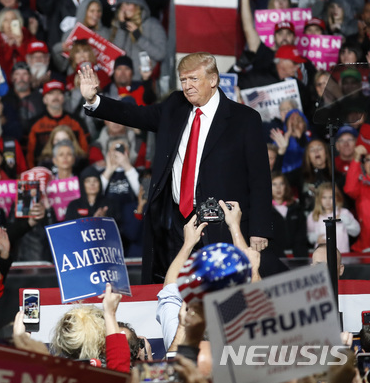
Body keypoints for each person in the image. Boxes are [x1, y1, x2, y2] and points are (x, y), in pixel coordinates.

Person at [79, 52, 273, 283]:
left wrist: (260, 228)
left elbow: (260, 178)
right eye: (183, 80)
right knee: (178, 288)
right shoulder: (175, 106)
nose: (187, 86)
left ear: (213, 80)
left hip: (223, 225)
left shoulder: (244, 119)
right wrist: (94, 100)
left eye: (193, 79)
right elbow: (135, 114)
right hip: (179, 222)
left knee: (224, 291)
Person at [307, 182, 359, 253]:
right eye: (324, 197)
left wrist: (343, 219)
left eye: (331, 197)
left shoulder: (344, 212)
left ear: (337, 198)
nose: (327, 201)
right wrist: (316, 238)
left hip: (342, 253)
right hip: (321, 254)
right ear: (319, 199)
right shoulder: (314, 215)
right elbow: (308, 234)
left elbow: (356, 231)